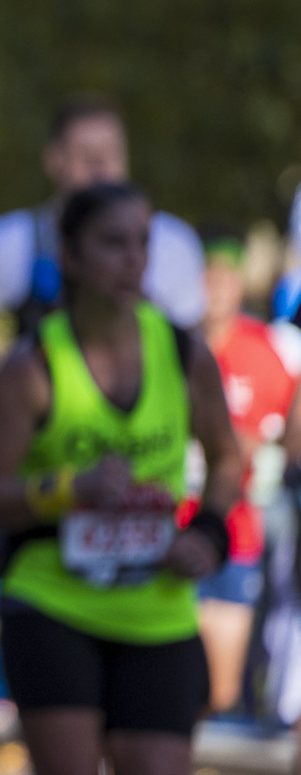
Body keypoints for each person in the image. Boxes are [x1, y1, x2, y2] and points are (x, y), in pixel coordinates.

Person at [0, 183, 240, 775]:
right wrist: (68, 490)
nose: (133, 260)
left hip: (158, 608)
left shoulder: (183, 354)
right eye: (113, 244)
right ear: (71, 254)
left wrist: (210, 534)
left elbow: (227, 458)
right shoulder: (34, 365)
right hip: (54, 602)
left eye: (142, 243)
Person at [0, 96, 204, 377]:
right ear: (68, 255)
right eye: (84, 153)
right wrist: (13, 388)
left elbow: (194, 350)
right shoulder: (6, 243)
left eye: (111, 153)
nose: (100, 168)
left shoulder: (175, 245)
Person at [193, 224, 295, 715]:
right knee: (167, 677)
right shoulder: (171, 343)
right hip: (169, 524)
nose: (214, 287)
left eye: (224, 276)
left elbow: (276, 435)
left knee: (219, 689)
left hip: (236, 530)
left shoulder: (266, 348)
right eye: (205, 275)